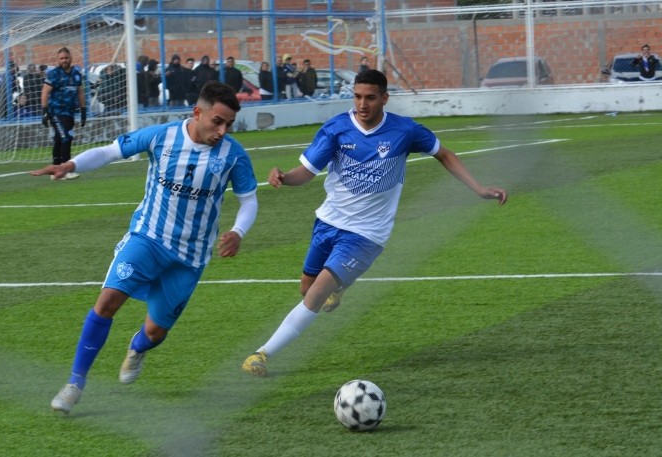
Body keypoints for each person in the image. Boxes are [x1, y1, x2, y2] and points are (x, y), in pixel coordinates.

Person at [241, 69, 508, 377]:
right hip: (328, 222)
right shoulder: (337, 129)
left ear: (384, 98)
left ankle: (261, 354)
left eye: (370, 97)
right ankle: (337, 288)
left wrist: (478, 188)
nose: (362, 104)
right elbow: (307, 172)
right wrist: (285, 177)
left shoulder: (404, 131)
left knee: (316, 295)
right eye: (357, 97)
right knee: (306, 288)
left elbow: (444, 154)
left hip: (367, 234)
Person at [30, 81, 259, 416]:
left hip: (190, 257)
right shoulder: (161, 136)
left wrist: (238, 231)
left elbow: (248, 200)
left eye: (229, 125)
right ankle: (75, 383)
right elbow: (110, 152)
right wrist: (71, 165)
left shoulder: (233, 155)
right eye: (217, 121)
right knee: (107, 302)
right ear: (198, 113)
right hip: (147, 239)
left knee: (156, 330)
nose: (222, 130)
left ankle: (137, 348)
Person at [41, 46, 86, 180]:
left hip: (70, 113)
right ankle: (65, 171)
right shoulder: (54, 74)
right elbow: (45, 92)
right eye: (61, 58)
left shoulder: (76, 74)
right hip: (56, 112)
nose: (64, 60)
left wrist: (83, 111)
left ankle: (56, 170)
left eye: (66, 58)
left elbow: (80, 92)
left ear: (71, 58)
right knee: (66, 138)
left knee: (60, 139)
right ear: (58, 60)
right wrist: (44, 111)